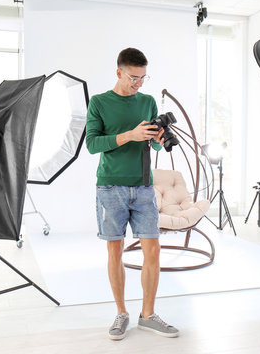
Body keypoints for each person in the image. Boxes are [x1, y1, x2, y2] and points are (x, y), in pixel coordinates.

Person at [86, 47, 179, 340]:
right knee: (115, 251)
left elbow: (149, 145)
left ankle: (148, 315)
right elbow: (92, 144)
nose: (139, 83)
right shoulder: (99, 102)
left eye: (143, 78)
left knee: (153, 250)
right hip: (110, 186)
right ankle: (121, 313)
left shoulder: (148, 102)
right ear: (119, 72)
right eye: (134, 77)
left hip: (143, 186)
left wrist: (157, 140)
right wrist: (129, 135)